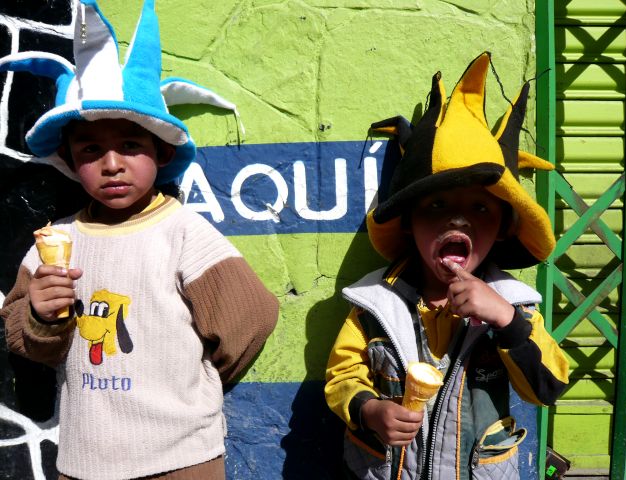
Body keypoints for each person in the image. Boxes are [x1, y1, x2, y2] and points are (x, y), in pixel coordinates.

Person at [0, 1, 278, 479]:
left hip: (181, 458)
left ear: (161, 151)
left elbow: (251, 317)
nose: (112, 164)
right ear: (69, 160)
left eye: (131, 145)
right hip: (85, 461)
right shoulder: (57, 240)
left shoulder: (182, 232)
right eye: (91, 149)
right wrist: (41, 317)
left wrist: (198, 383)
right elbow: (23, 339)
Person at [324, 52, 569, 480]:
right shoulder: (374, 305)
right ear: (408, 224)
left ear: (503, 230)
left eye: (480, 208)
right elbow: (342, 374)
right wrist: (369, 409)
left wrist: (506, 319)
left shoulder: (516, 305)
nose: (459, 220)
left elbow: (546, 388)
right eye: (436, 206)